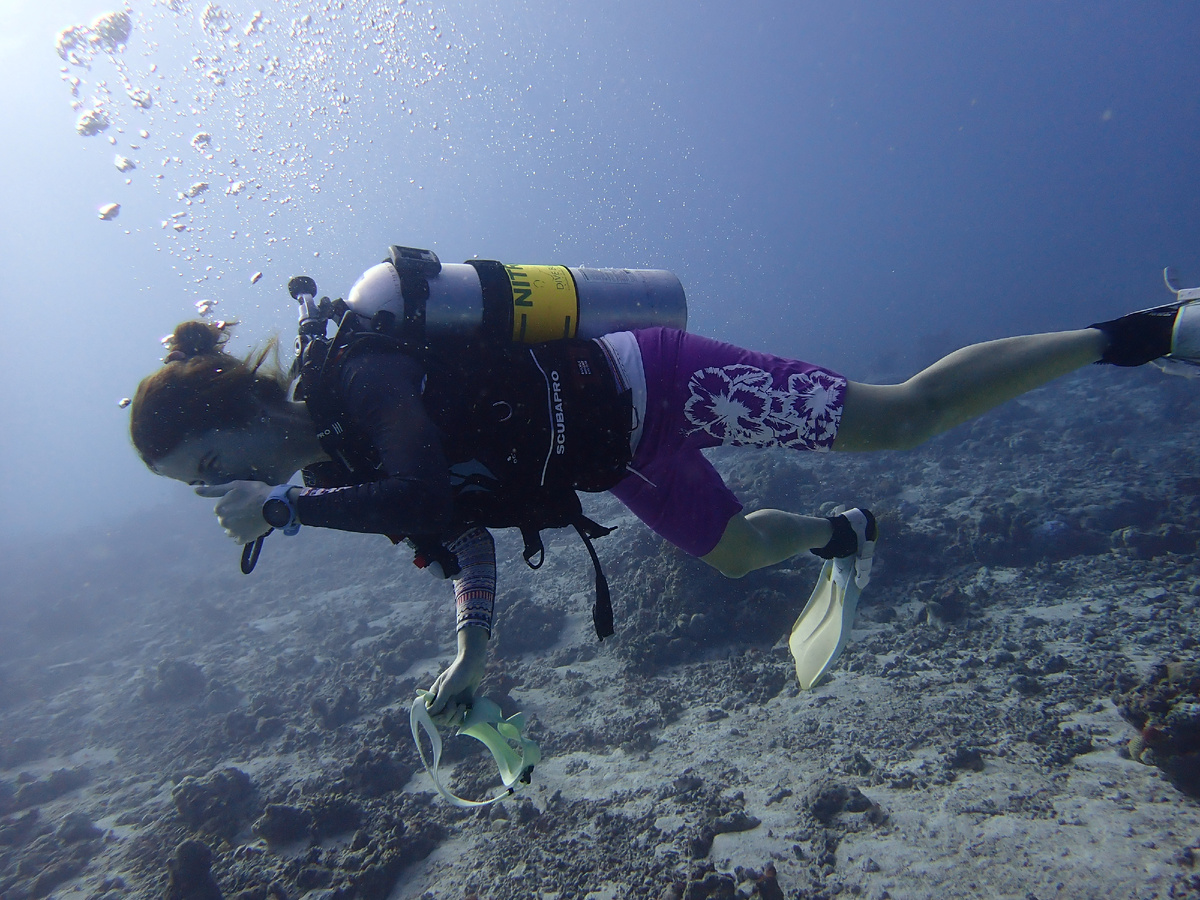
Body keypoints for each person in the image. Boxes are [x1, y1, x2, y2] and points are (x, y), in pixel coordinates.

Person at [129, 280, 1200, 723]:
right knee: (733, 555)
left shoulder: (359, 383)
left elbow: (412, 481)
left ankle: (1141, 332)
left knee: (899, 418)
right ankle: (843, 537)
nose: (214, 492)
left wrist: (282, 514)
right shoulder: (326, 473)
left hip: (657, 381)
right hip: (617, 457)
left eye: (202, 471)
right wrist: (475, 656)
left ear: (221, 425)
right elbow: (454, 526)